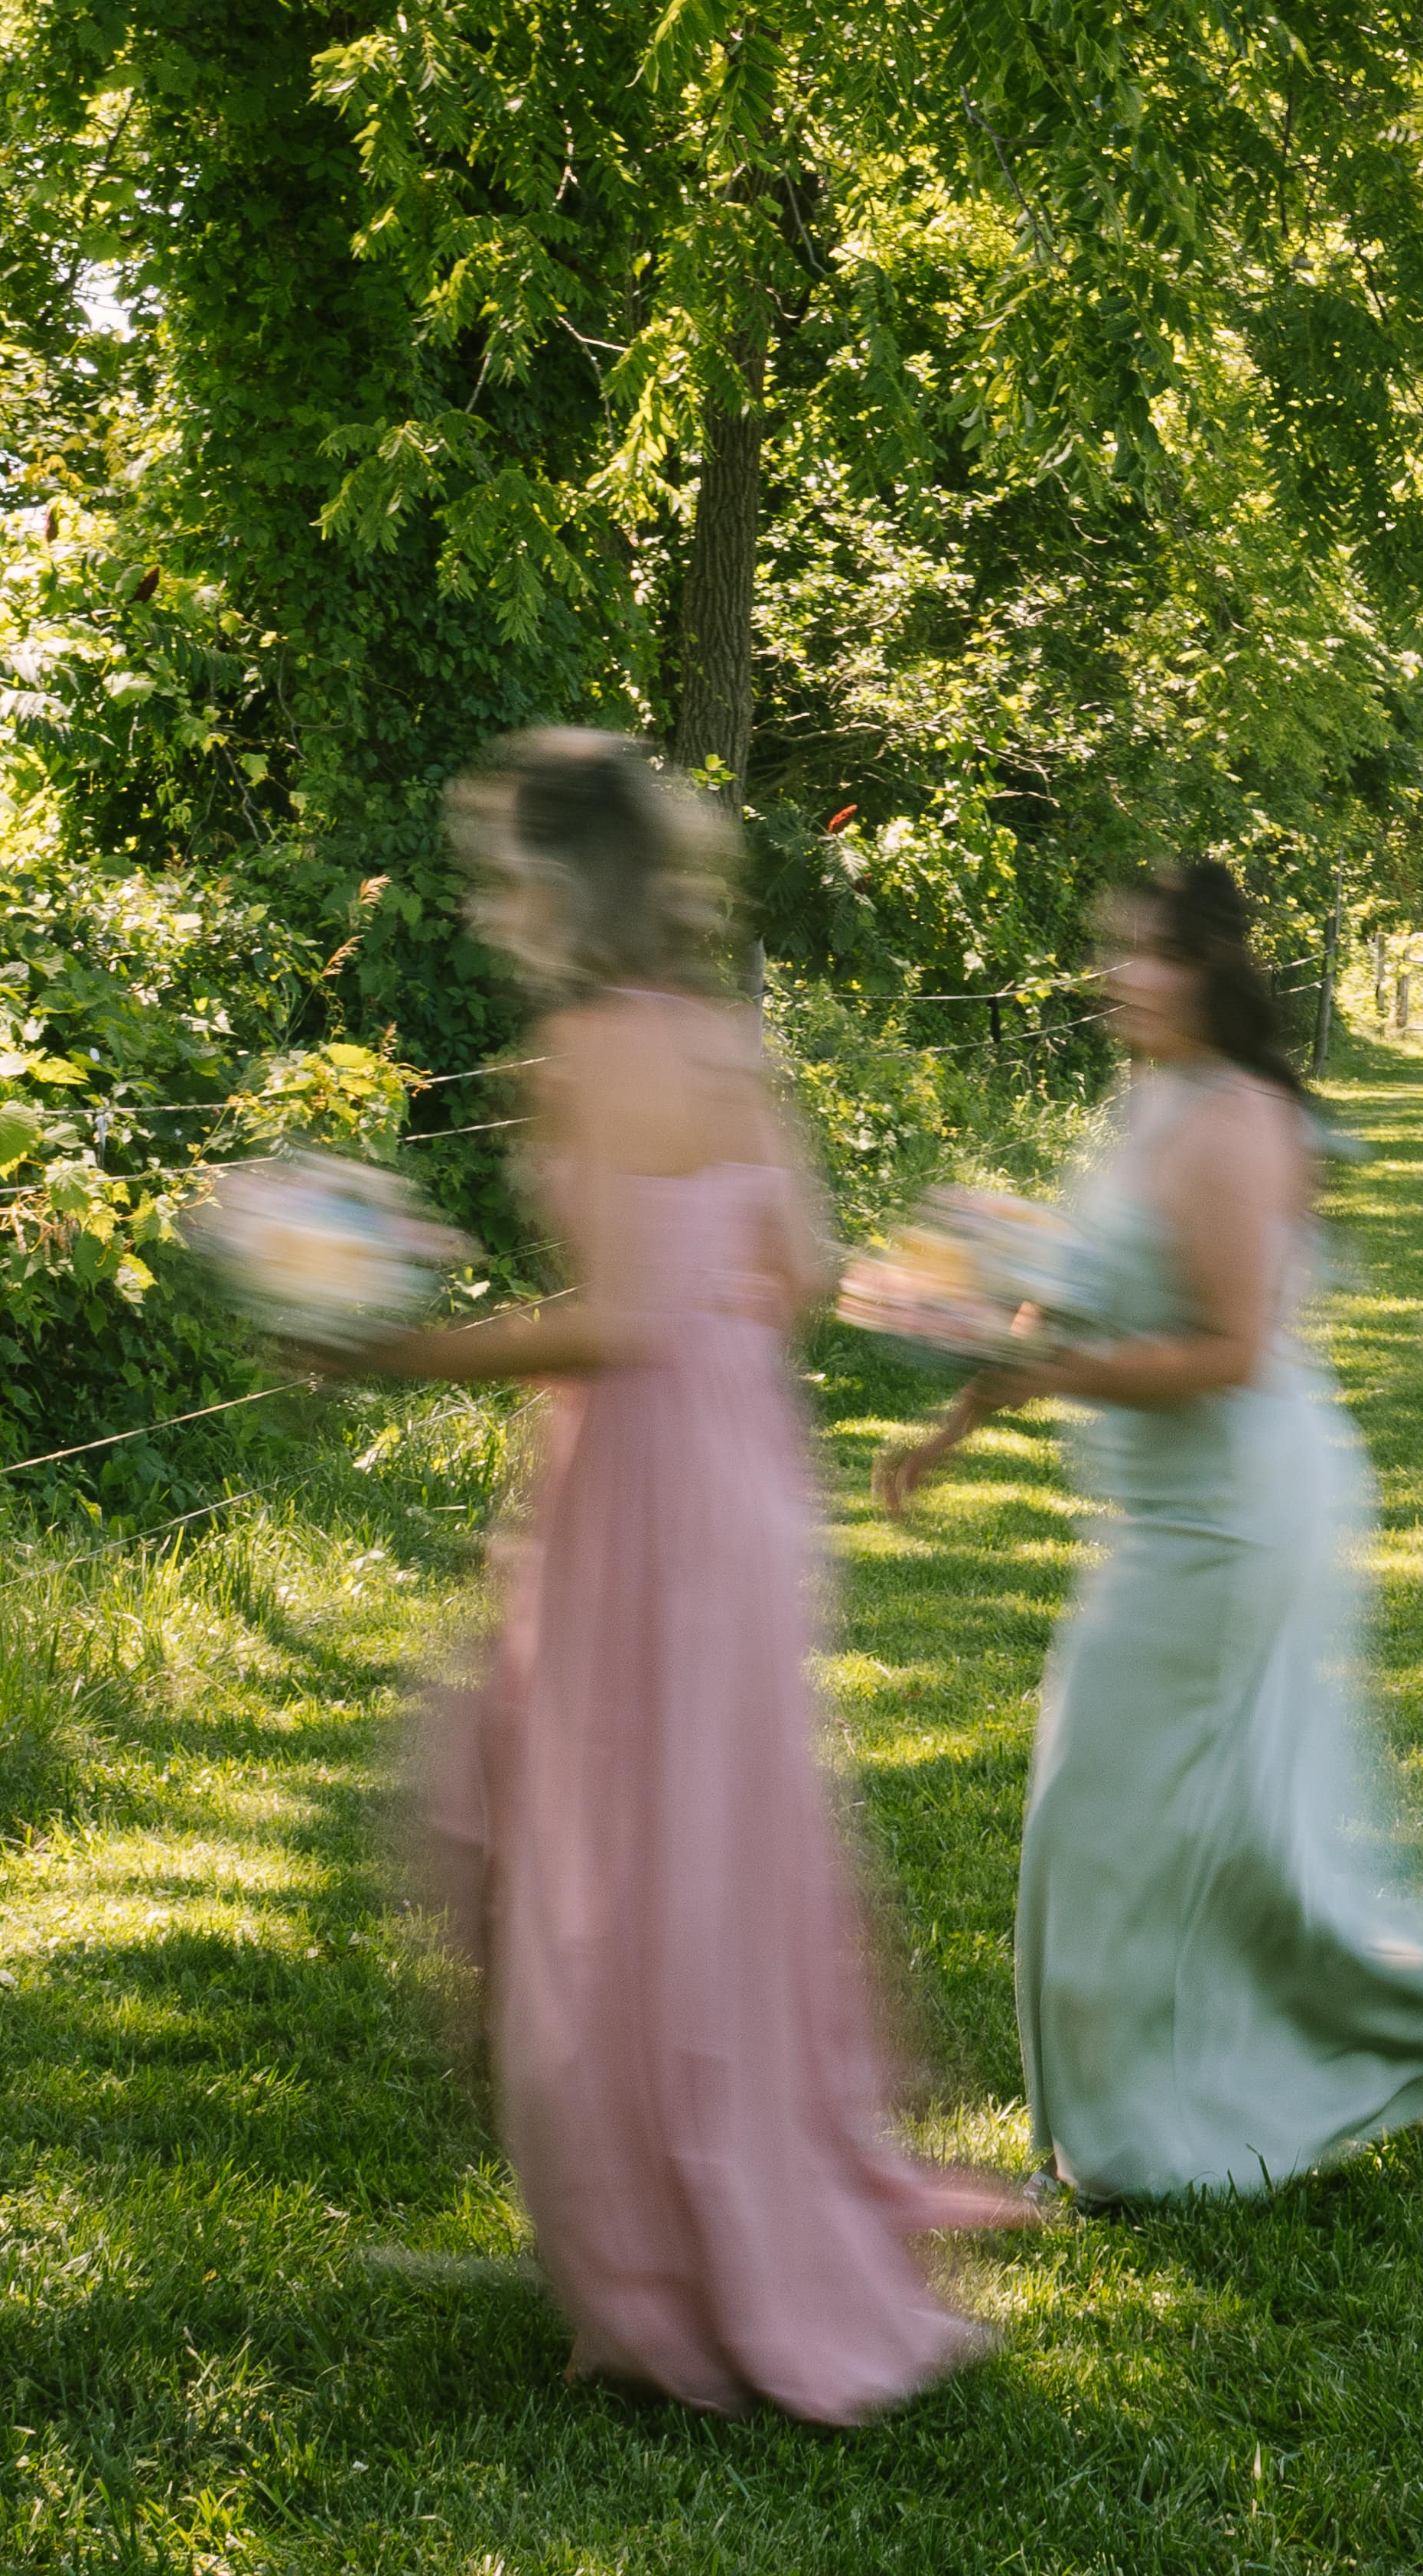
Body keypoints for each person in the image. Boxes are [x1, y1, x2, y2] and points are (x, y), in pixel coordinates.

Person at [360, 728, 1029, 2419]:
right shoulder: (726, 1041)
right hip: (742, 1463)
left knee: (566, 1818)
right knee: (708, 1819)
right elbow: (796, 1275)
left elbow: (612, 1316)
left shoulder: (580, 1046)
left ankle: (662, 2247)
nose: (489, 897)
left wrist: (406, 1346)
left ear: (552, 882)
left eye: (503, 864)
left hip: (641, 1466)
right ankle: (715, 2186)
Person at [875, 858, 1423, 2200]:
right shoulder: (1147, 1101)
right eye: (1113, 948)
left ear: (1212, 971)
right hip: (1160, 1509)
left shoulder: (1237, 1119)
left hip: (1234, 1508)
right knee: (1122, 1812)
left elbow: (1225, 1348)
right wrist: (961, 1386)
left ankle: (1143, 2142)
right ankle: (1151, 2112)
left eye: (1148, 953)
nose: (1119, 974)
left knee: (1120, 1816)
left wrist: (1045, 1376)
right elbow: (1079, 1287)